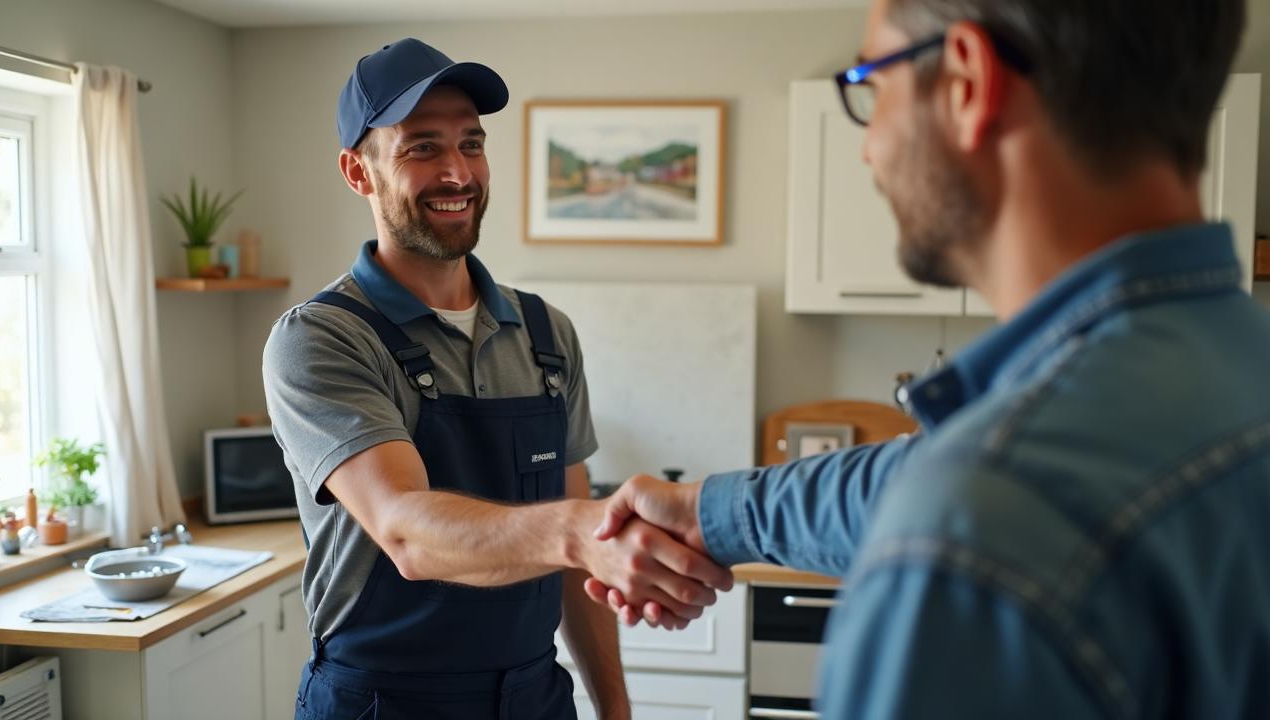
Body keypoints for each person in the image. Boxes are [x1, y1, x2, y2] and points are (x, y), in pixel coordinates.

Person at [588, 0, 1270, 717]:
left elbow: (967, 496)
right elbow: (913, 473)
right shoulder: (1228, 375)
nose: (869, 146)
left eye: (872, 85)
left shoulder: (977, 531)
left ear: (966, 83)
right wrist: (712, 514)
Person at [262, 38, 733, 720]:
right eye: (422, 147)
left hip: (536, 696)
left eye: (471, 144)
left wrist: (617, 710)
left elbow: (581, 567)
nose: (457, 172)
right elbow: (407, 533)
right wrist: (582, 527)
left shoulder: (547, 335)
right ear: (357, 172)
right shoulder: (323, 337)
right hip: (384, 702)